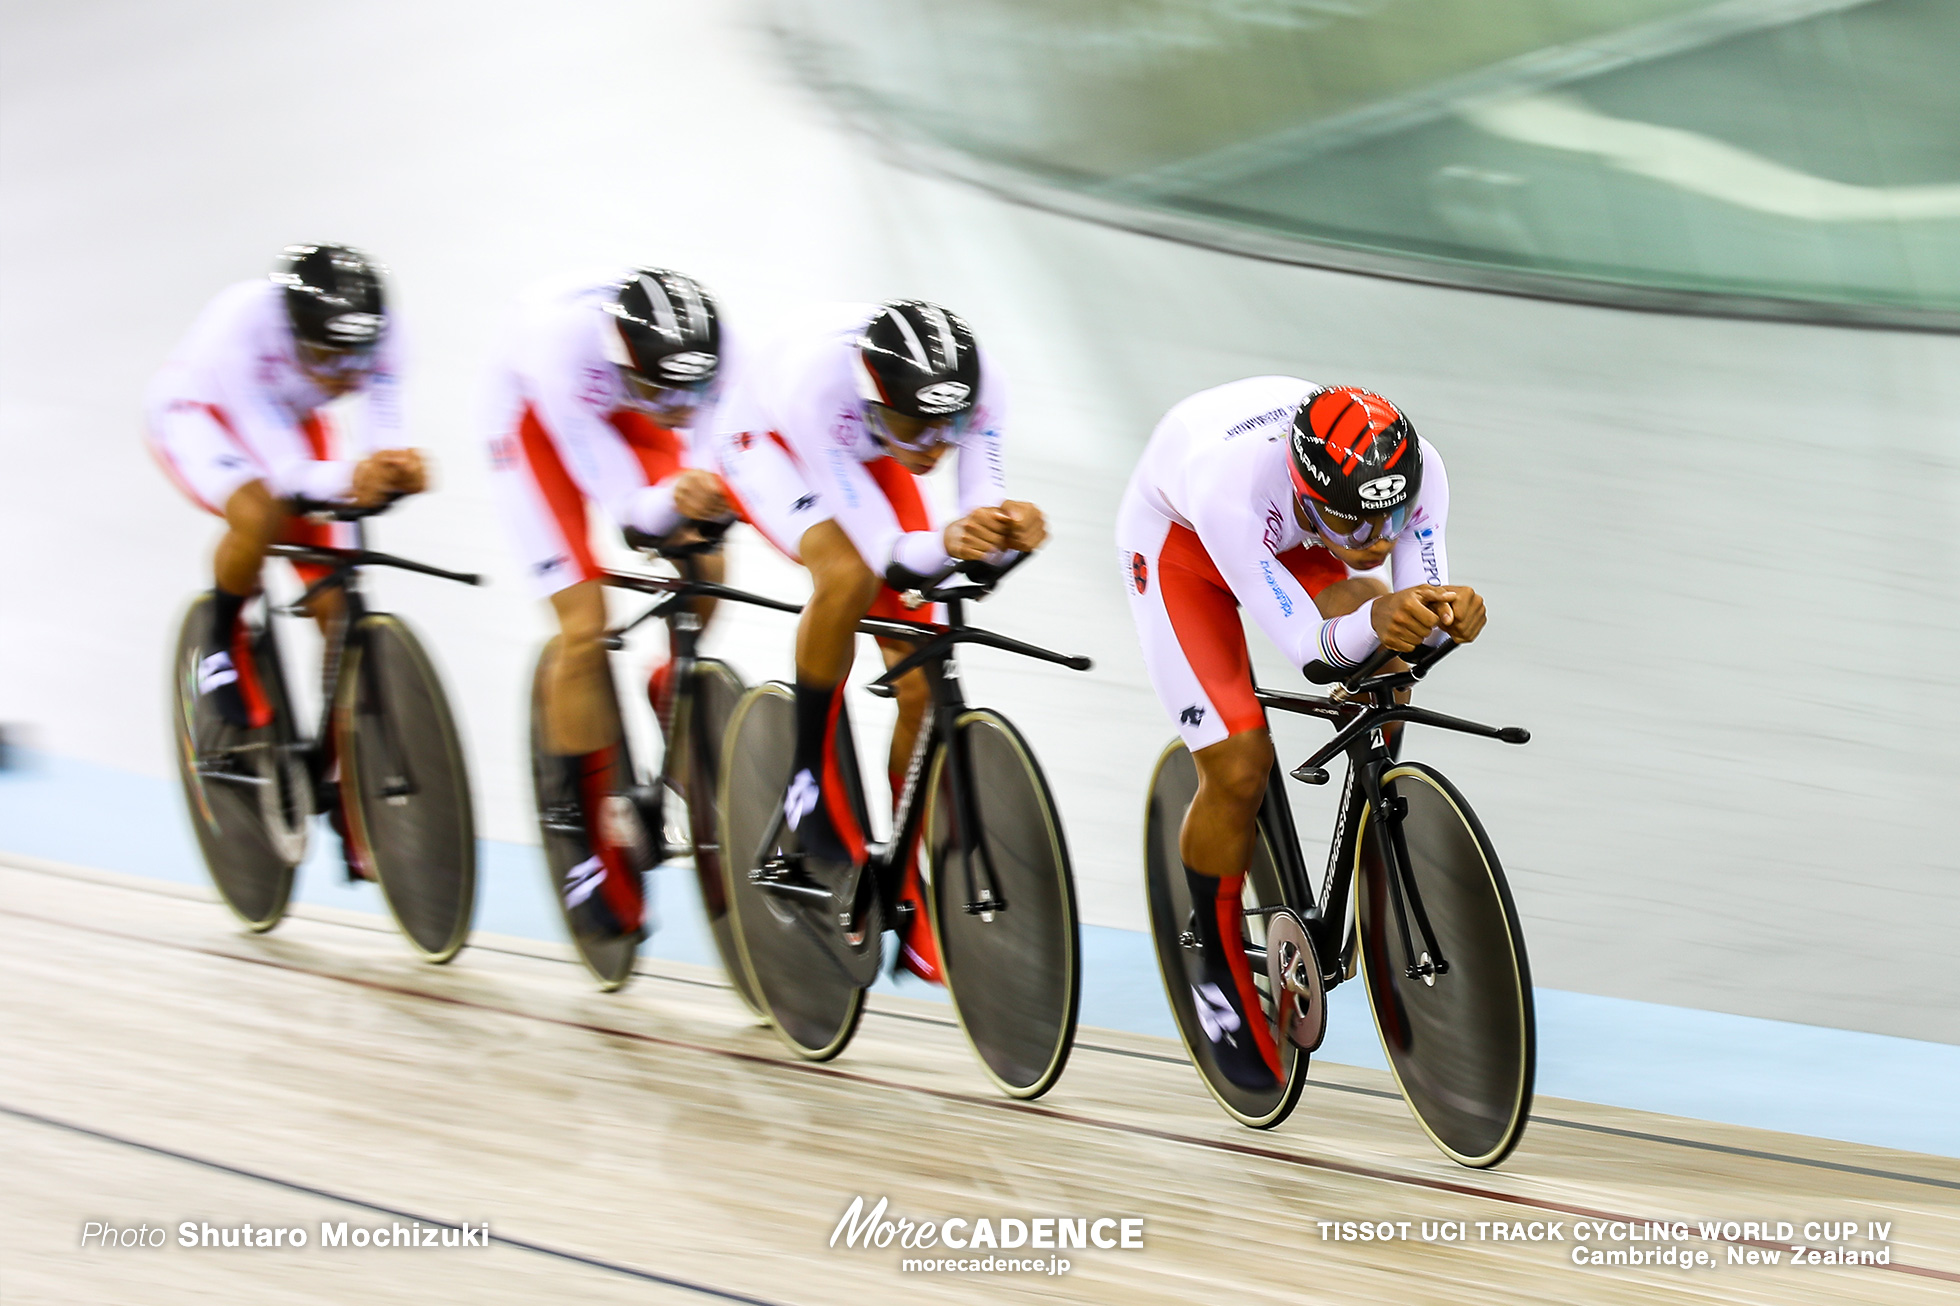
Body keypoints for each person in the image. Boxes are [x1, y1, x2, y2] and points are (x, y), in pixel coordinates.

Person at [1117, 379, 1485, 1088]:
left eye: (1391, 521)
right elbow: (1314, 651)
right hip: (1181, 547)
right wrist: (1381, 621)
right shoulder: (1230, 488)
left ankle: (1372, 831)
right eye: (1357, 527)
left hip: (1292, 538)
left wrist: (1447, 618)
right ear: (1310, 495)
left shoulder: (1418, 471)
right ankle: (1215, 970)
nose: (1377, 542)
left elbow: (1419, 605)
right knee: (1239, 764)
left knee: (1392, 651)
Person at [713, 301, 1045, 982]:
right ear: (874, 402)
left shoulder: (979, 391)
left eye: (948, 426)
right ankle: (808, 772)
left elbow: (978, 506)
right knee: (848, 573)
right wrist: (952, 542)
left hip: (864, 450)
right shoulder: (819, 392)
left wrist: (1009, 533)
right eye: (913, 425)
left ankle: (905, 876)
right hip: (770, 443)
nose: (932, 445)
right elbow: (889, 553)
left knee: (921, 688)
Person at [485, 268, 732, 943]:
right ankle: (589, 834)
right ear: (625, 360)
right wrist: (675, 502)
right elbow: (629, 509)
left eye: (692, 389)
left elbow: (712, 449)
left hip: (630, 412)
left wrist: (705, 498)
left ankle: (669, 680)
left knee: (707, 564)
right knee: (585, 626)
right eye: (666, 388)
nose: (683, 403)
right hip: (536, 428)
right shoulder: (561, 354)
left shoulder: (703, 360)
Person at [147, 243, 428, 733]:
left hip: (288, 417)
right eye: (325, 355)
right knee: (259, 514)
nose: (341, 373)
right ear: (295, 330)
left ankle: (346, 762)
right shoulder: (242, 326)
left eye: (352, 359)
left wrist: (393, 469)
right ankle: (221, 634)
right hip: (201, 415)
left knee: (335, 599)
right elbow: (285, 471)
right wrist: (351, 479)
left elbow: (384, 427)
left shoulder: (389, 334)